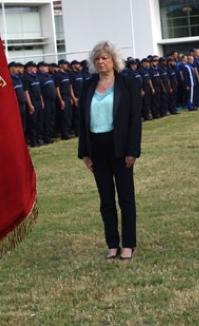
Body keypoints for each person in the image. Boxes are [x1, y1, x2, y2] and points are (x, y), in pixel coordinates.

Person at [76, 41, 142, 261]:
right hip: (97, 148)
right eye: (97, 58)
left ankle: (128, 244)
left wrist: (133, 150)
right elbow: (81, 120)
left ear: (114, 60)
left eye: (105, 57)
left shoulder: (127, 83)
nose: (101, 61)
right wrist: (84, 151)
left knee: (126, 198)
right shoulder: (87, 85)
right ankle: (112, 244)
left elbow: (135, 120)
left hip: (120, 148)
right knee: (106, 199)